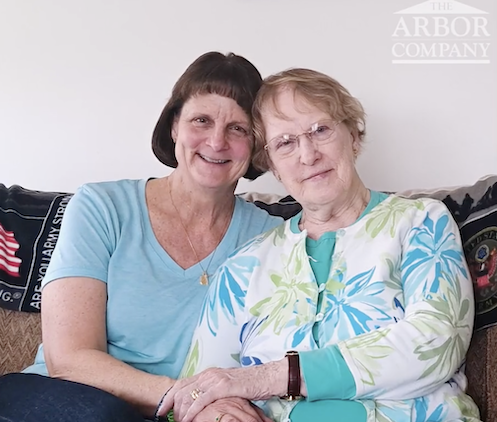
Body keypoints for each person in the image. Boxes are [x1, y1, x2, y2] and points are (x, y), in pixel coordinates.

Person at [158, 68, 481, 422]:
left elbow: (435, 341)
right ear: (273, 166)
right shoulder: (243, 267)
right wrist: (219, 412)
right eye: (285, 143)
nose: (308, 154)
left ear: (353, 135)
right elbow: (198, 389)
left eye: (320, 130)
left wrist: (272, 377)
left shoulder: (420, 221)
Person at [0, 52, 283, 422]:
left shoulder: (273, 239)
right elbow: (68, 359)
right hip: (61, 402)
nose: (217, 141)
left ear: (256, 143)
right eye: (201, 120)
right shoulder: (102, 207)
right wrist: (188, 398)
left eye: (238, 128)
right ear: (174, 126)